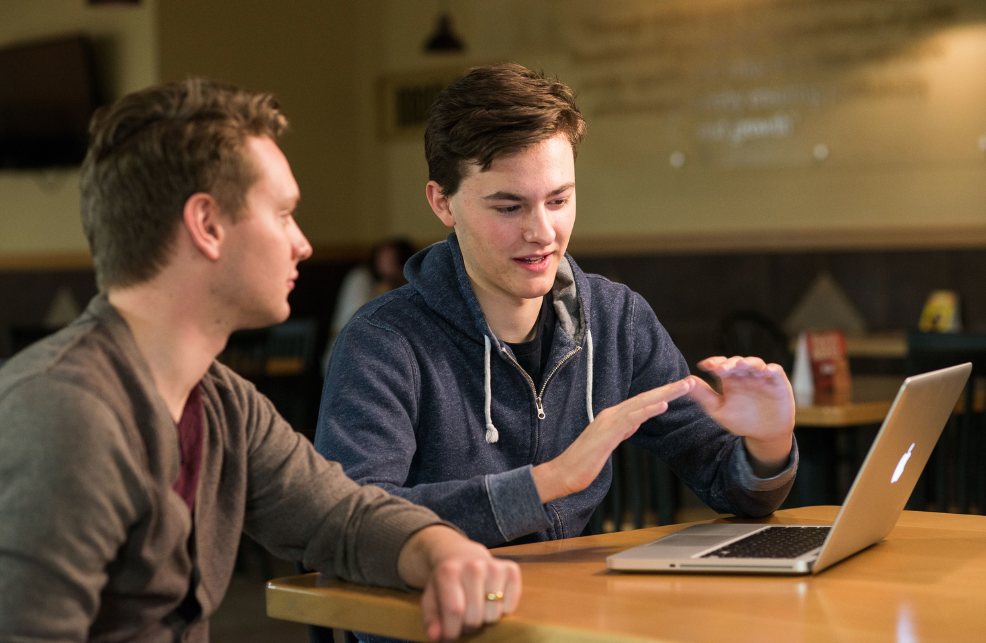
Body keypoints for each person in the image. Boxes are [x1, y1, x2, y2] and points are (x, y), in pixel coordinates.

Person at [0, 78, 520, 643]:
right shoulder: (62, 415)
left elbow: (341, 519)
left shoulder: (223, 404)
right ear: (207, 225)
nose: (303, 244)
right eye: (282, 214)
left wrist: (438, 549)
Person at [314, 63, 798, 560]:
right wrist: (548, 482)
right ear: (443, 203)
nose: (542, 232)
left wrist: (768, 444)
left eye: (559, 199)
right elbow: (351, 524)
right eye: (509, 208)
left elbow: (730, 487)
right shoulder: (383, 341)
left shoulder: (616, 321)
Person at [323, 238, 416, 372]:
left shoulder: (410, 285)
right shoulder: (359, 279)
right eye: (383, 259)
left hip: (392, 359)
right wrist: (385, 287)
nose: (386, 264)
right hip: (349, 356)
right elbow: (351, 327)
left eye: (393, 260)